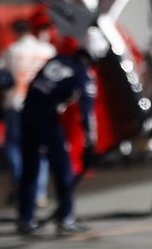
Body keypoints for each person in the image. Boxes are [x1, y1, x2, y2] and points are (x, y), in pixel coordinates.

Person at [17, 34, 96, 235]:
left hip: (27, 113)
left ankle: (25, 218)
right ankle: (66, 217)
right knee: (62, 168)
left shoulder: (57, 59)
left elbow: (34, 84)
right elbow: (87, 109)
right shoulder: (82, 73)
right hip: (46, 117)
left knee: (30, 168)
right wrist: (90, 140)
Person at [0, 13, 55, 191]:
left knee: (15, 146)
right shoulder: (48, 51)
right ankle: (39, 189)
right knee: (41, 147)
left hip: (15, 103)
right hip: (42, 106)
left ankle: (21, 187)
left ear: (15, 32)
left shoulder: (11, 51)